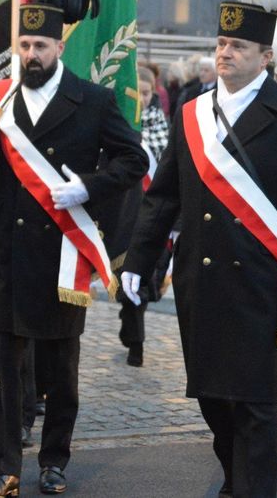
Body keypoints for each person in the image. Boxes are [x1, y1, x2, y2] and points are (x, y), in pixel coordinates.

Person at [121, 0, 277, 498]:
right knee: (215, 401)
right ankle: (237, 475)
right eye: (220, 44)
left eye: (238, 46)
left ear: (266, 56)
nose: (225, 54)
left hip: (265, 284)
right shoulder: (192, 113)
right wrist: (139, 260)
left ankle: (249, 487)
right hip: (202, 279)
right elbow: (163, 198)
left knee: (258, 407)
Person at [0, 0, 147, 498]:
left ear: (58, 47)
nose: (30, 54)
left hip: (60, 256)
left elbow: (134, 160)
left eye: (40, 46)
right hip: (1, 253)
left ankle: (54, 460)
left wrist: (89, 187)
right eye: (23, 45)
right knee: (3, 371)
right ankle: (4, 463)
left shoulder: (92, 101)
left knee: (59, 370)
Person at [106, 66, 172, 370]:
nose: (141, 99)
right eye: (136, 93)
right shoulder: (118, 126)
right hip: (125, 212)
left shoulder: (164, 127)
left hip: (154, 213)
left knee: (144, 282)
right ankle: (133, 334)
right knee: (129, 278)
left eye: (146, 94)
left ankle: (135, 335)